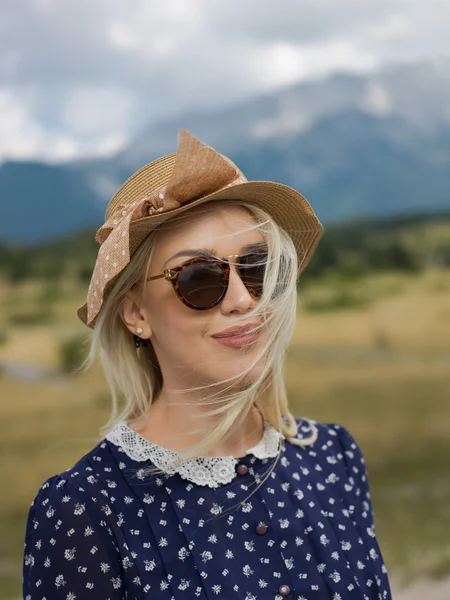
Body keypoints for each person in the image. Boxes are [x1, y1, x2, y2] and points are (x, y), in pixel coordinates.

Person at [23, 130, 392, 599]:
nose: (243, 300)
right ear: (136, 314)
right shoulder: (84, 508)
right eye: (198, 278)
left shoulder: (333, 458)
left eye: (256, 268)